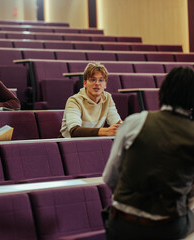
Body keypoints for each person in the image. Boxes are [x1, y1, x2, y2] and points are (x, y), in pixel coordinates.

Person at [102, 67, 194, 239]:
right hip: (169, 227)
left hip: (124, 223)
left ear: (163, 91)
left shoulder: (135, 122)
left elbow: (109, 177)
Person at [60, 62, 121, 137]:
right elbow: (74, 131)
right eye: (93, 80)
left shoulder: (107, 98)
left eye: (101, 80)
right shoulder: (74, 101)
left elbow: (117, 123)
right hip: (70, 143)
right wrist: (105, 131)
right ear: (85, 83)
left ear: (105, 84)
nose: (97, 83)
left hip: (94, 141)